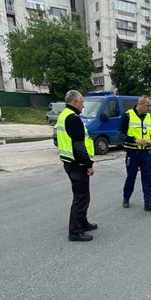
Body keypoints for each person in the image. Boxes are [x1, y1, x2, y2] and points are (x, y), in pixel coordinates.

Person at [56, 90, 97, 242]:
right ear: (74, 102)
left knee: (84, 196)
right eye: (81, 101)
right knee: (80, 198)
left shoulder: (64, 115)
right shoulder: (73, 119)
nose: (83, 104)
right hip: (77, 164)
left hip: (70, 162)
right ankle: (75, 231)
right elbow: (79, 146)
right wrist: (88, 164)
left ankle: (83, 223)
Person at [119, 95, 151, 213]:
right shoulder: (127, 116)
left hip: (146, 153)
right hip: (132, 153)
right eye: (148, 106)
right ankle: (126, 198)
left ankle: (148, 203)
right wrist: (134, 140)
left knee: (147, 178)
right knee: (131, 177)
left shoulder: (149, 117)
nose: (149, 108)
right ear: (140, 104)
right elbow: (120, 134)